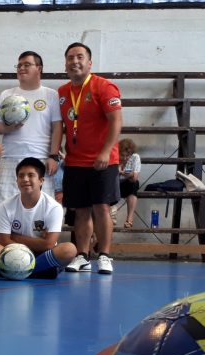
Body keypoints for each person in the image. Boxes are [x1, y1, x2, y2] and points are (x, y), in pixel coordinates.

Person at [58, 42, 123, 275]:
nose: (74, 61)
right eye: (70, 58)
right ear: (65, 64)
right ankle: (82, 255)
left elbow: (116, 121)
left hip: (102, 161)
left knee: (101, 207)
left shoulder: (104, 86)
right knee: (80, 210)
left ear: (89, 63)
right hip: (75, 161)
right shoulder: (62, 92)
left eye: (79, 57)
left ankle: (104, 255)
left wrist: (105, 151)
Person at [0, 51, 63, 223]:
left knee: (41, 215)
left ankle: (39, 241)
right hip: (10, 158)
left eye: (26, 64)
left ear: (39, 68)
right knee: (5, 211)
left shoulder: (51, 95)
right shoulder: (7, 94)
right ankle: (7, 240)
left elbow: (57, 127)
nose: (21, 68)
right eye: (19, 65)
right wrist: (9, 127)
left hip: (40, 159)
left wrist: (53, 156)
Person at [0, 157, 77, 279]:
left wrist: (14, 236)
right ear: (17, 181)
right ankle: (39, 271)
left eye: (31, 175)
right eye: (21, 176)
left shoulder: (53, 207)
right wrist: (36, 244)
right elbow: (2, 240)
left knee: (69, 249)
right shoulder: (6, 206)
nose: (25, 179)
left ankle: (14, 270)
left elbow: (49, 244)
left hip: (43, 254)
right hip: (15, 253)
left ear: (41, 180)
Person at [115, 138, 141, 228]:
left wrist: (124, 173)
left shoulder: (135, 157)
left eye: (127, 156)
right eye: (122, 155)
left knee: (134, 184)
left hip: (127, 182)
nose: (125, 158)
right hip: (114, 183)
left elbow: (135, 178)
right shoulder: (114, 156)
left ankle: (129, 218)